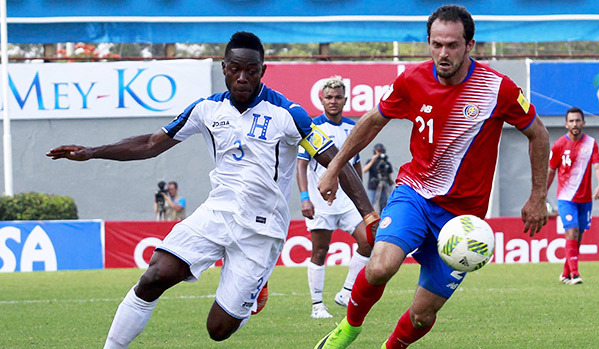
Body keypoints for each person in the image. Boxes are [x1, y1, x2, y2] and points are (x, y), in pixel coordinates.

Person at [46, 31, 379, 348]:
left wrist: (367, 214)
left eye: (251, 71)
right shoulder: (205, 109)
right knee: (154, 277)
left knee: (217, 331)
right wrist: (92, 151)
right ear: (224, 68)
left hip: (261, 232)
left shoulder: (289, 114)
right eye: (235, 69)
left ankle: (254, 294)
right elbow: (150, 143)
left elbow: (338, 161)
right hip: (216, 214)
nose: (242, 78)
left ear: (263, 70)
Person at [313, 5, 550, 349]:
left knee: (423, 314)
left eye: (452, 45)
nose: (443, 53)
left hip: (463, 220)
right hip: (416, 194)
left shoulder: (497, 88)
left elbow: (538, 134)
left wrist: (537, 196)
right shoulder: (412, 79)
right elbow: (372, 122)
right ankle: (348, 329)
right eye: (436, 44)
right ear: (428, 42)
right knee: (380, 266)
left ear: (470, 46)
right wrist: (333, 168)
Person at [297, 76, 372, 319]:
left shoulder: (353, 128)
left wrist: (363, 200)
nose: (333, 101)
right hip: (320, 201)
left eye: (338, 97)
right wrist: (304, 197)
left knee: (369, 241)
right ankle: (317, 305)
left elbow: (356, 165)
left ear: (345, 100)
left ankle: (347, 292)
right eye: (329, 97)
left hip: (348, 201)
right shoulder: (312, 128)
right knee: (320, 250)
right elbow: (301, 165)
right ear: (321, 99)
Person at [547, 106, 599, 285]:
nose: (575, 124)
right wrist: (541, 194)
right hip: (565, 197)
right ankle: (575, 275)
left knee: (577, 239)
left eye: (578, 120)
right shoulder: (558, 146)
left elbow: (597, 165)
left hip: (585, 199)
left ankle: (565, 273)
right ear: (566, 124)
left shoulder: (591, 143)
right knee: (571, 232)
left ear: (583, 123)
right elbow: (550, 171)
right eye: (571, 121)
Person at [363, 143, 394, 213]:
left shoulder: (386, 163)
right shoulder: (371, 161)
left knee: (384, 204)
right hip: (373, 187)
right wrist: (373, 160)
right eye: (378, 152)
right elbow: (364, 170)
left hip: (384, 188)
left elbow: (389, 176)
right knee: (371, 203)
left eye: (381, 152)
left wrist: (390, 183)